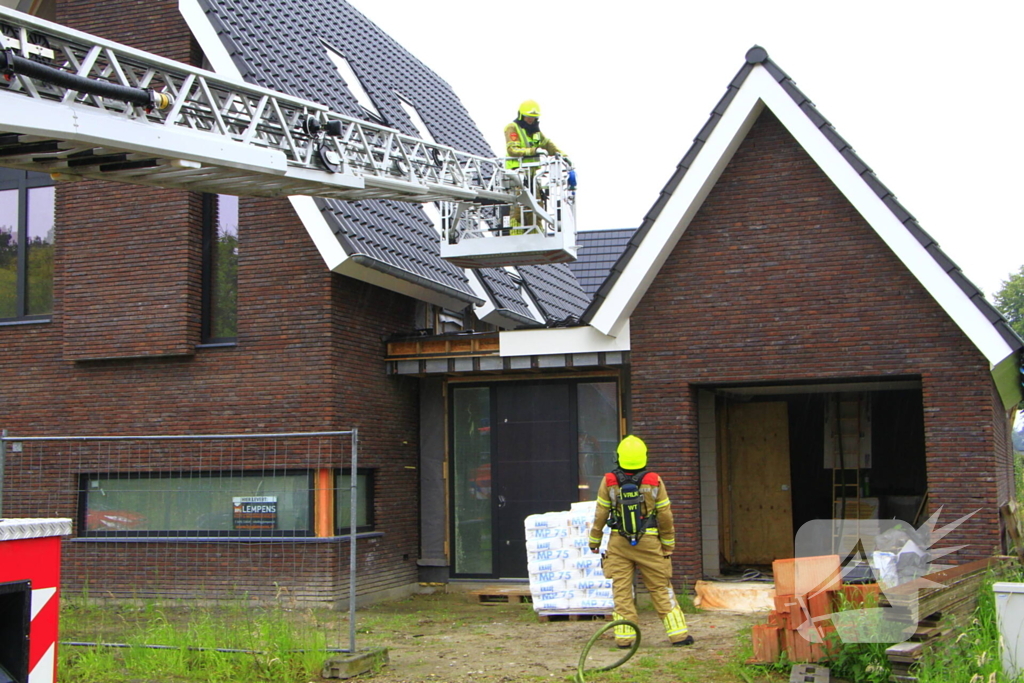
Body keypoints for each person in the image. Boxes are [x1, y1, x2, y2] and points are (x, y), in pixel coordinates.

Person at [589, 435, 693, 649]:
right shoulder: (654, 480)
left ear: (619, 457)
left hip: (618, 543)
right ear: (643, 457)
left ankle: (624, 638)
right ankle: (679, 636)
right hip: (649, 542)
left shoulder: (609, 480)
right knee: (660, 587)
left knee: (622, 590)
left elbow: (601, 513)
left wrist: (595, 540)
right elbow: (665, 515)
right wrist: (667, 545)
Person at [503, 100, 566, 233]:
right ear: (521, 116)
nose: (531, 120)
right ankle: (516, 232)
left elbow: (547, 144)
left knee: (537, 204)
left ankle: (536, 231)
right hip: (516, 174)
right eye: (528, 117)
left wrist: (562, 156)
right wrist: (534, 151)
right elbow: (512, 150)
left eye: (533, 117)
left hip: (531, 175)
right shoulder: (512, 128)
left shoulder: (535, 131)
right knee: (519, 205)